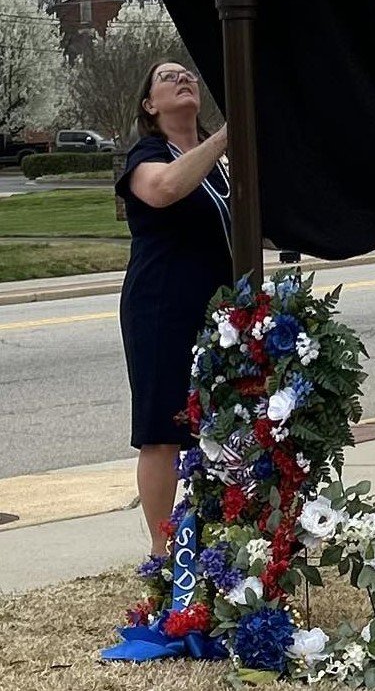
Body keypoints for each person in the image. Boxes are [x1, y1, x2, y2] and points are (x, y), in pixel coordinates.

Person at [115, 61, 231, 556]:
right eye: (167, 77)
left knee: (222, 425)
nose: (183, 79)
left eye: (188, 75)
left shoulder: (218, 167)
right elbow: (162, 190)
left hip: (217, 312)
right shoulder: (148, 154)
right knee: (162, 432)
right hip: (160, 308)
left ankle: (220, 539)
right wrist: (229, 134)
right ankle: (164, 557)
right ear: (150, 105)